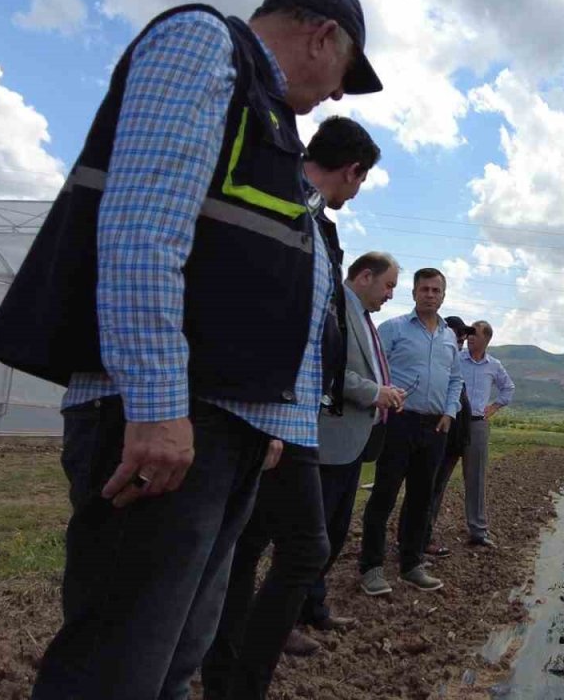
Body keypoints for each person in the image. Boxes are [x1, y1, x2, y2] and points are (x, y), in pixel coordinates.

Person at [0, 0, 383, 697]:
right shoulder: (204, 45)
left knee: (173, 656)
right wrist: (158, 405)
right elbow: (142, 230)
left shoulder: (269, 119)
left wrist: (272, 420)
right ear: (322, 36)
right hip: (174, 422)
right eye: (346, 72)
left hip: (224, 426)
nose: (339, 95)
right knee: (119, 662)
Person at [201, 117, 382, 698]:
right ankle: (238, 678)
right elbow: (266, 313)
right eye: (359, 181)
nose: (355, 193)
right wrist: (272, 409)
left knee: (251, 543)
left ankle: (225, 670)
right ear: (351, 170)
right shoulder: (282, 204)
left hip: (290, 409)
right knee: (304, 546)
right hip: (272, 410)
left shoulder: (319, 226)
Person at [286, 250, 402, 654]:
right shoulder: (335, 307)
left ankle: (313, 608)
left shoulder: (366, 319)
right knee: (308, 537)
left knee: (333, 532)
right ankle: (283, 620)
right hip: (328, 440)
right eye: (388, 285)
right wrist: (377, 393)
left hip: (351, 443)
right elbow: (326, 369)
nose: (390, 295)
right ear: (365, 276)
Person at [358, 268, 462, 595]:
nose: (430, 295)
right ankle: (371, 567)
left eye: (436, 290)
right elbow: (370, 365)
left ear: (443, 295)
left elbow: (455, 379)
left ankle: (412, 564)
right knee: (385, 494)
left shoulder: (448, 337)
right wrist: (382, 395)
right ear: (414, 293)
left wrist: (449, 411)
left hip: (435, 427)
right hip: (399, 422)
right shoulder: (393, 329)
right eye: (424, 289)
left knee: (421, 497)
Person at [458, 320, 515, 546]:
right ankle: (426, 532)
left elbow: (508, 388)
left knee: (476, 478)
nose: (470, 337)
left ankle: (478, 531)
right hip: (453, 421)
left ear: (486, 339)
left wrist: (492, 408)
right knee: (438, 477)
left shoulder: (494, 365)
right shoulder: (456, 357)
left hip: (477, 425)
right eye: (469, 333)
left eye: (475, 334)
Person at [423, 316, 476, 558]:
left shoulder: (453, 363)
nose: (463, 340)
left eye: (465, 336)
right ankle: (421, 539)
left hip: (454, 443)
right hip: (441, 440)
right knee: (429, 489)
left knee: (437, 490)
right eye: (458, 335)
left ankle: (422, 536)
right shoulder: (441, 363)